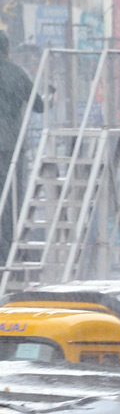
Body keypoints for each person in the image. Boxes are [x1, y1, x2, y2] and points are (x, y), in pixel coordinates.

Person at [0, 30, 42, 260]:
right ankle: (10, 251)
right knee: (13, 199)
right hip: (13, 147)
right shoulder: (17, 74)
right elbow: (39, 105)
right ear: (7, 49)